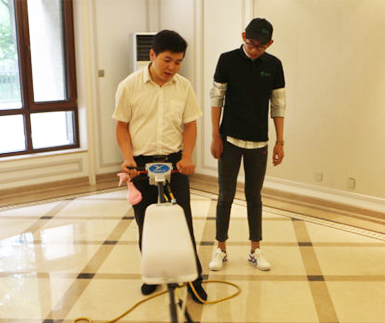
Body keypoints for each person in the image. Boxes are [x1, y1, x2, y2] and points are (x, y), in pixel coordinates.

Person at [112, 29, 207, 302]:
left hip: (174, 163)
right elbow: (122, 126)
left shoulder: (184, 86)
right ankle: (151, 274)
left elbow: (190, 125)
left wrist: (187, 157)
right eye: (167, 60)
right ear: (152, 54)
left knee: (183, 221)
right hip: (141, 165)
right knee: (146, 222)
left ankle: (193, 278)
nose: (172, 67)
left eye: (178, 62)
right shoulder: (129, 86)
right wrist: (128, 158)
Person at [209, 18, 286, 272]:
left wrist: (280, 141)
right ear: (243, 36)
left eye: (260, 46)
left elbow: (278, 105)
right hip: (229, 139)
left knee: (254, 196)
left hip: (259, 141)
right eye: (251, 43)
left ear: (269, 44)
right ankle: (220, 248)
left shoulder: (274, 65)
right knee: (225, 195)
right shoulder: (227, 60)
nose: (254, 50)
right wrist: (215, 135)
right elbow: (216, 98)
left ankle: (255, 250)